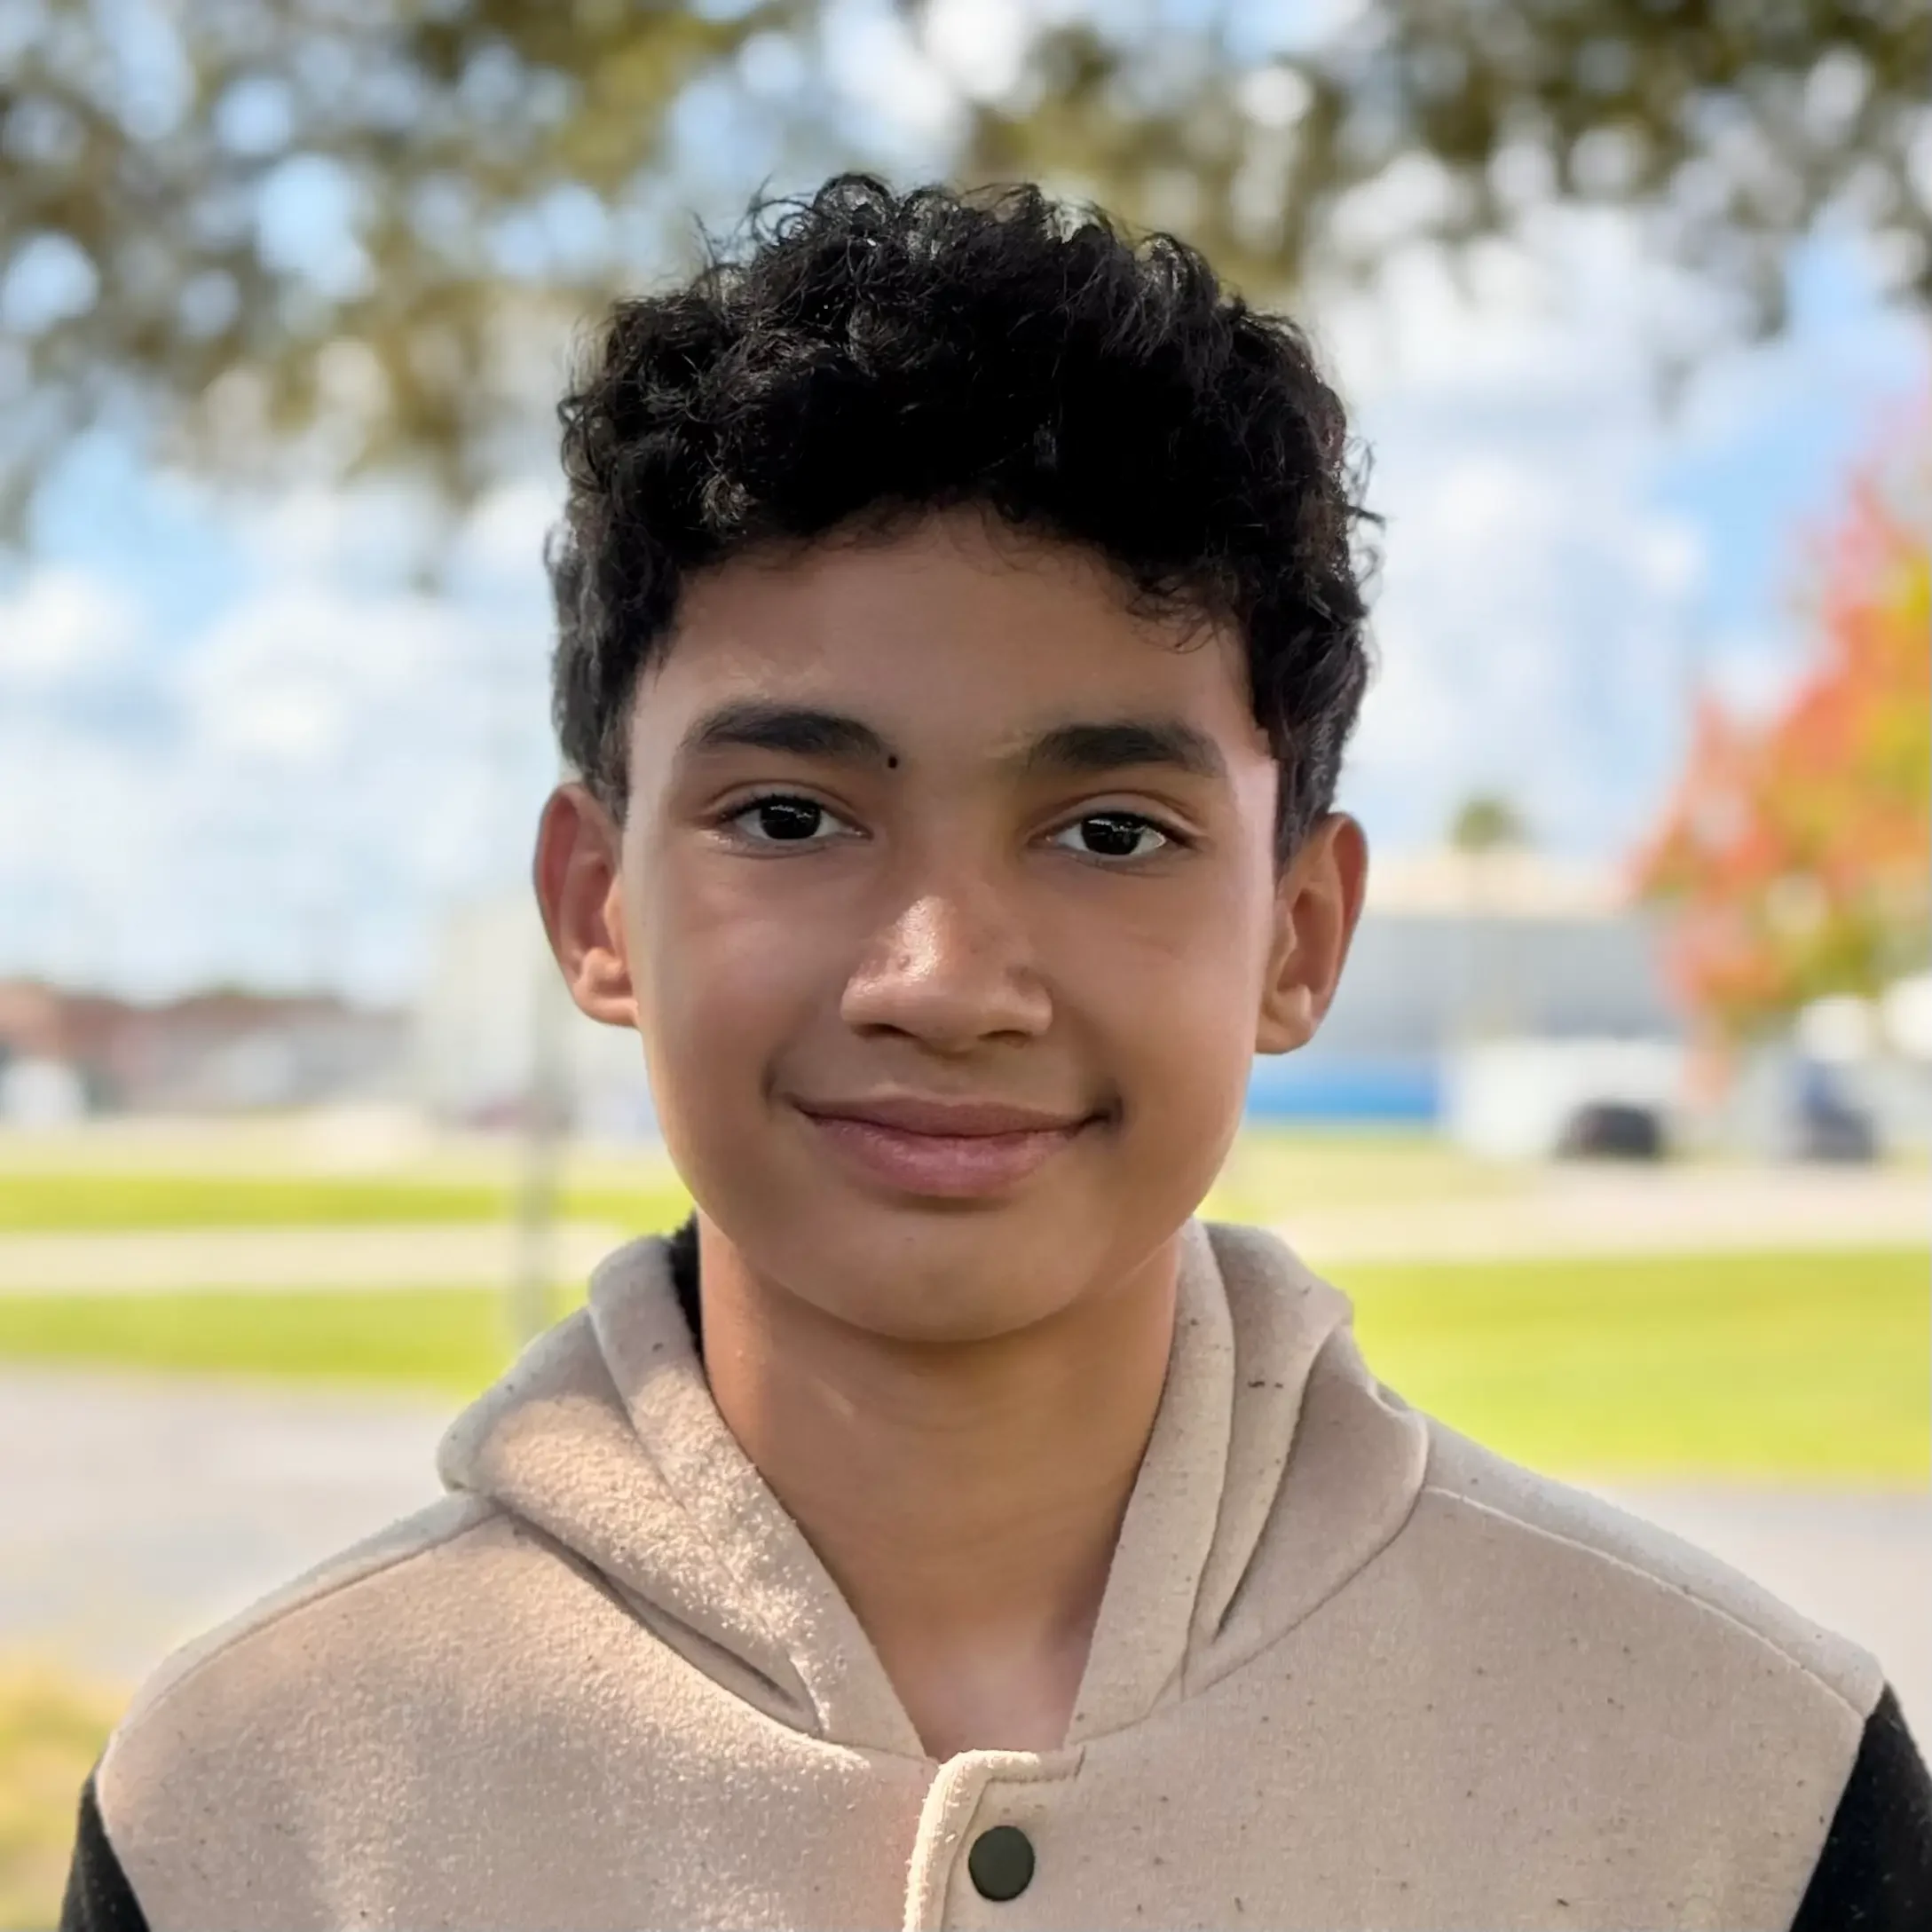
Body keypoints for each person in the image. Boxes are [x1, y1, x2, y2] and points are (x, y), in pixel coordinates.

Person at [63, 174, 1929, 1931]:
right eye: (790, 814)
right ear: (594, 903)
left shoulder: (1743, 1793)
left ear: (1296, 935)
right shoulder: (248, 1812)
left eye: (1110, 829)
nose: (945, 980)